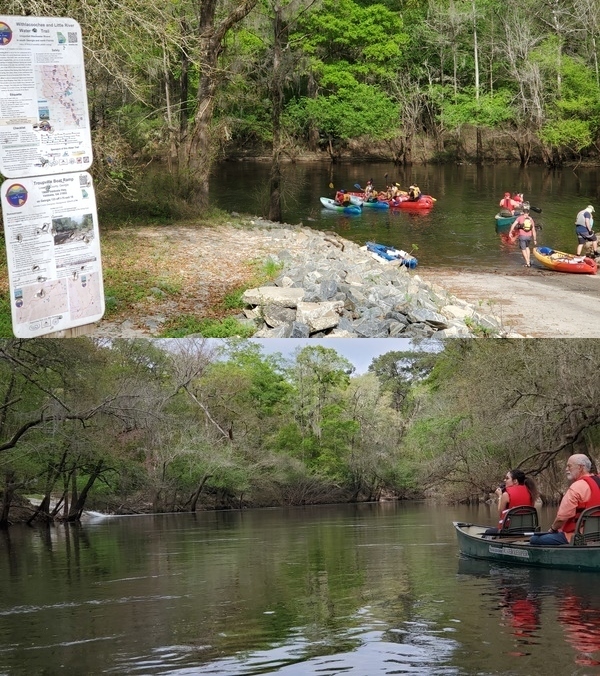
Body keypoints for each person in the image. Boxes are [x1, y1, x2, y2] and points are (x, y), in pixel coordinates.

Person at [529, 454, 600, 546]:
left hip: (577, 536)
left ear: (580, 467)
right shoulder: (597, 480)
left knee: (535, 539)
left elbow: (561, 518)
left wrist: (552, 529)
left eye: (569, 466)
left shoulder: (576, 488)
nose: (566, 469)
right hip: (597, 535)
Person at [484, 469, 539, 535]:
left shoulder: (506, 494)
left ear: (515, 481)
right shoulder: (531, 492)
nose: (505, 480)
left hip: (509, 531)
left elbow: (500, 513)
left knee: (488, 532)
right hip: (527, 530)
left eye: (507, 478)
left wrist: (500, 496)